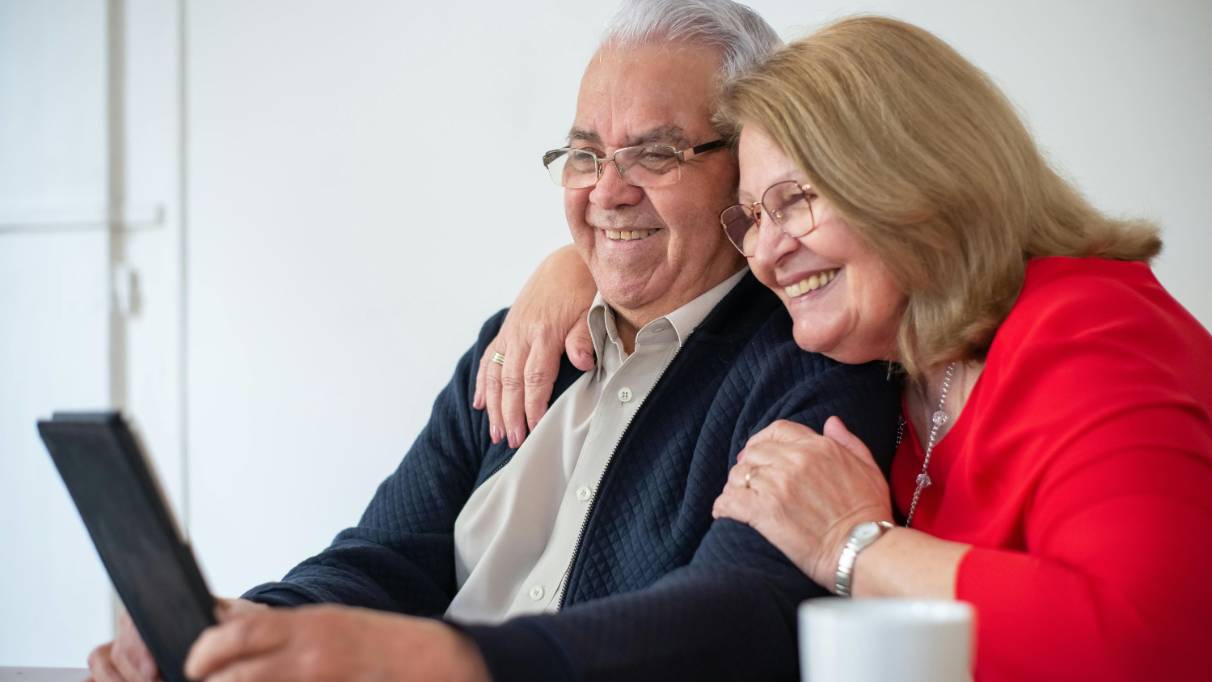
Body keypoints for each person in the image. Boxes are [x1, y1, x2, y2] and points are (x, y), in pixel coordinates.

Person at [87, 3, 902, 682]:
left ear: (745, 167)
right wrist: (248, 632)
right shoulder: (515, 349)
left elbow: (738, 617)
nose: (608, 191)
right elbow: (383, 557)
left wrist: (444, 657)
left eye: (656, 153)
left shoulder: (808, 361)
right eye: (585, 154)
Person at [482, 15, 1212, 682]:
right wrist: (581, 266)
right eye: (753, 216)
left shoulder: (1092, 331)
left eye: (794, 201)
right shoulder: (899, 378)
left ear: (914, 178)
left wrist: (853, 545)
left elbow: (1148, 648)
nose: (766, 252)